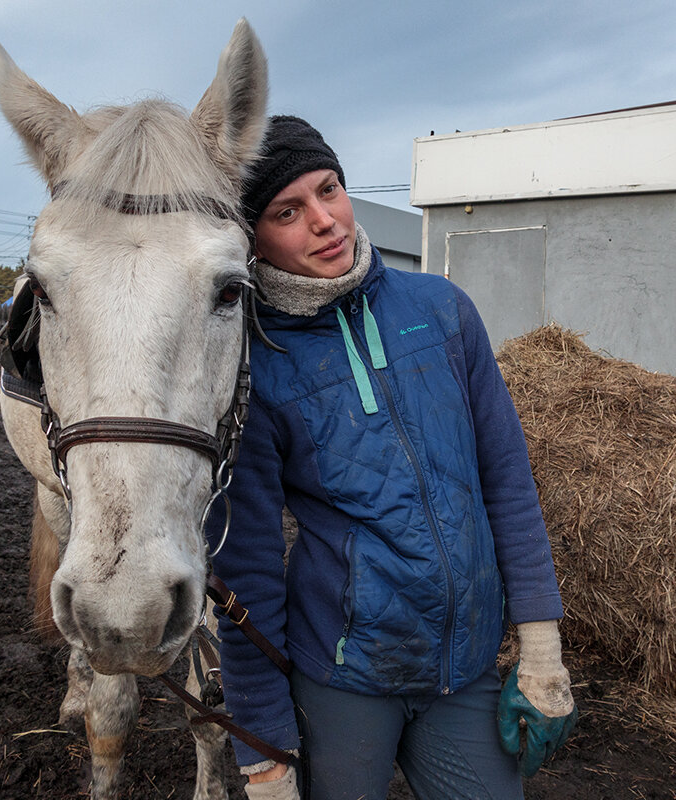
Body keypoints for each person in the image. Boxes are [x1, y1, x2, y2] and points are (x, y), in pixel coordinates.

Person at [208, 115, 576, 800]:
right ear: (250, 237)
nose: (325, 221)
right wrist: (263, 753)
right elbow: (247, 568)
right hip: (343, 678)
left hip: (461, 672)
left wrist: (541, 648)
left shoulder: (442, 311)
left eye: (330, 189)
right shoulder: (255, 367)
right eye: (289, 211)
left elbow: (507, 482)